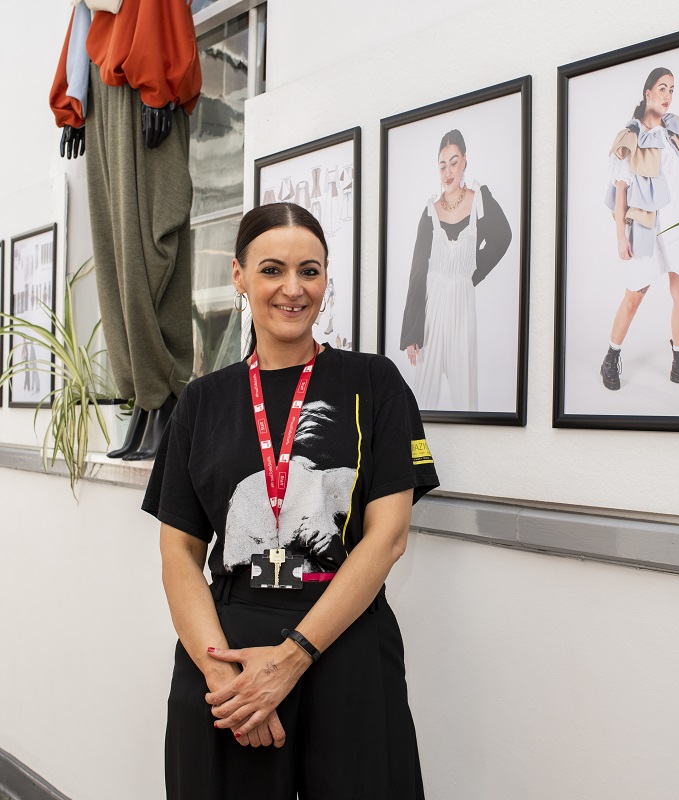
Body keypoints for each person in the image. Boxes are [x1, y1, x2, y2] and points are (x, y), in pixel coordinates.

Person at [143, 202, 439, 799]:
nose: (292, 288)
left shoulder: (374, 383)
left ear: (326, 280)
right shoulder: (200, 401)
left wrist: (292, 658)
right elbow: (179, 553)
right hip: (226, 651)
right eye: (272, 269)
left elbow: (388, 538)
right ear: (239, 276)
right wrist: (226, 680)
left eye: (310, 270)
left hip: (343, 642)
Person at [49, 0, 202, 459]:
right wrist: (74, 101)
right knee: (115, 247)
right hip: (103, 77)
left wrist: (159, 87)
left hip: (141, 67)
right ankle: (142, 393)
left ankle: (166, 393)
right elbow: (82, 12)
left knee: (148, 240)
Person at [601, 68, 679, 393]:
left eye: (672, 90)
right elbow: (620, 190)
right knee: (634, 295)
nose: (667, 95)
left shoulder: (673, 130)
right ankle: (611, 355)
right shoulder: (631, 136)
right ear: (647, 92)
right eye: (662, 88)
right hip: (647, 227)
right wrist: (621, 236)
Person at [400, 129, 512, 411]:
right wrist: (412, 332)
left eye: (453, 162)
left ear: (464, 161)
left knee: (465, 395)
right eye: (442, 164)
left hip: (463, 305)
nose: (448, 171)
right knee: (424, 397)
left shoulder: (479, 201)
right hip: (432, 305)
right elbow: (417, 272)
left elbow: (503, 237)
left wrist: (472, 275)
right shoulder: (429, 212)